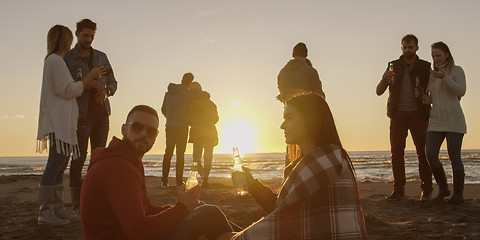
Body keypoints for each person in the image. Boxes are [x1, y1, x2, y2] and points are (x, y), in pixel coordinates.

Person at [81, 105, 235, 239]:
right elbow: (139, 232)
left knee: (200, 207)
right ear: (123, 129)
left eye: (151, 131)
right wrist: (181, 208)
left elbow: (146, 208)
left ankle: (247, 235)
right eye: (137, 127)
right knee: (209, 213)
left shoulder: (128, 161)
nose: (143, 133)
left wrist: (179, 206)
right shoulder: (117, 168)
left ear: (155, 136)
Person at [232, 93, 367, 239]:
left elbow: (280, 213)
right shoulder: (327, 157)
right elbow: (285, 209)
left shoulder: (321, 162)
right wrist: (252, 184)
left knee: (211, 218)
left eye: (289, 118)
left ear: (310, 119)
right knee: (213, 216)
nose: (282, 125)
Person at [36, 25, 105, 225]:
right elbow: (68, 90)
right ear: (65, 40)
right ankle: (46, 212)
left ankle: (57, 209)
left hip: (62, 122)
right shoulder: (55, 61)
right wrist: (90, 77)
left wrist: (84, 82)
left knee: (59, 167)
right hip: (59, 122)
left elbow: (66, 89)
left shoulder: (53, 61)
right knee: (55, 166)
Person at [64, 18, 118, 215]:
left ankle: (94, 200)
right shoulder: (68, 58)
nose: (89, 39)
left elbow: (113, 82)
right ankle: (77, 204)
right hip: (80, 115)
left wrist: (106, 92)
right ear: (77, 33)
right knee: (78, 159)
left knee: (98, 159)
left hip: (102, 114)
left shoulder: (102, 57)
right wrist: (89, 85)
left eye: (92, 36)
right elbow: (67, 87)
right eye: (85, 35)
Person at [376, 34, 433, 201]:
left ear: (416, 48)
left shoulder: (425, 67)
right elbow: (379, 91)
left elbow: (434, 89)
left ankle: (427, 190)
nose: (407, 50)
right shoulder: (393, 66)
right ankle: (398, 190)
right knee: (396, 153)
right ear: (401, 48)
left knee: (423, 153)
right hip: (397, 114)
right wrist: (383, 79)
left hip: (419, 114)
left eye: (410, 47)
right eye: (405, 47)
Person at [416, 42, 467, 204]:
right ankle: (443, 188)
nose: (436, 59)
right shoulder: (433, 74)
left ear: (447, 54)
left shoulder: (456, 71)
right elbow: (434, 98)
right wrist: (425, 98)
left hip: (454, 120)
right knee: (430, 154)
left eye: (438, 55)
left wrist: (444, 77)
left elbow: (461, 91)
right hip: (436, 121)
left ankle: (458, 195)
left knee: (454, 156)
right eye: (433, 56)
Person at [161, 73, 194, 187]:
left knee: (168, 153)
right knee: (180, 155)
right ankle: (179, 181)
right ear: (190, 82)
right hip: (182, 126)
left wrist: (171, 117)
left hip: (169, 125)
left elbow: (163, 109)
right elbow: (191, 109)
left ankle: (164, 181)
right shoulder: (187, 93)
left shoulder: (168, 93)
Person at [186, 82, 219, 188]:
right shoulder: (210, 103)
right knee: (208, 157)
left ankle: (202, 177)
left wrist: (194, 124)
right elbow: (216, 118)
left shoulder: (190, 103)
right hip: (209, 131)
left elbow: (187, 118)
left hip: (197, 132)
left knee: (196, 158)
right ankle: (205, 179)